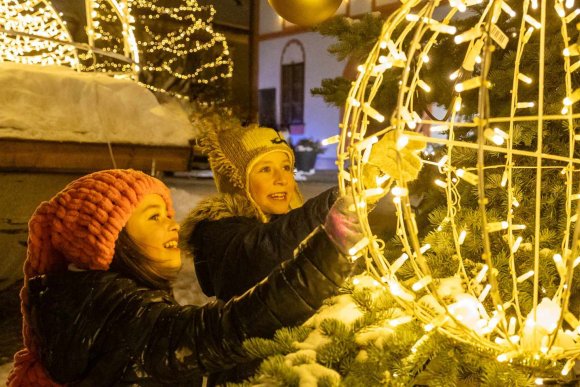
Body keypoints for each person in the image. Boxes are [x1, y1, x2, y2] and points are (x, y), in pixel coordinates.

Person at [8, 169, 362, 386]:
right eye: (153, 217)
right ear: (109, 241)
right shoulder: (122, 316)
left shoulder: (91, 302)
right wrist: (332, 245)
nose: (172, 224)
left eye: (168, 213)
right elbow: (223, 331)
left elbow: (189, 365)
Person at [180, 124, 425, 302]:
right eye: (265, 169)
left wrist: (367, 188)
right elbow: (268, 249)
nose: (282, 179)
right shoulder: (219, 231)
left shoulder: (288, 222)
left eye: (286, 167)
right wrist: (351, 190)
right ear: (236, 180)